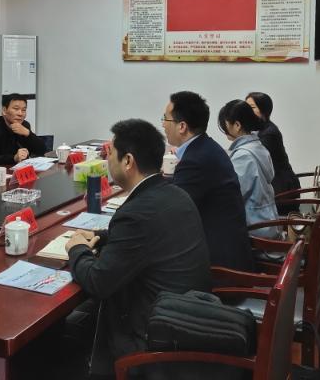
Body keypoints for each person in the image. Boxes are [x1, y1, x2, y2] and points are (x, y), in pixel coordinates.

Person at [65, 118, 211, 376]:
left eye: (111, 153)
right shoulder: (175, 193)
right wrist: (102, 237)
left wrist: (77, 248)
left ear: (128, 161)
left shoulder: (135, 214)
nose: (107, 160)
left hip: (152, 338)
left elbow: (98, 282)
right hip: (188, 319)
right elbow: (148, 237)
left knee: (69, 330)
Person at [163, 91, 254, 271]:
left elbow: (172, 213)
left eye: (165, 119)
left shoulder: (196, 160)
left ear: (182, 126)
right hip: (227, 249)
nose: (163, 124)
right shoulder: (205, 147)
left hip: (219, 266)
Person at [218, 99, 280, 239]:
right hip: (269, 220)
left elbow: (232, 196)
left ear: (237, 125)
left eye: (225, 124)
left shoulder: (243, 156)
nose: (224, 129)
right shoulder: (258, 147)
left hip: (255, 229)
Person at [245, 91, 301, 213]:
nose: (247, 111)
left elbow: (253, 160)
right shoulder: (258, 129)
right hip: (273, 186)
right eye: (246, 107)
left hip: (282, 190)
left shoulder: (269, 133)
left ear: (264, 110)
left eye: (252, 107)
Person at [0, 93, 47, 166]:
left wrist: (28, 133)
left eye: (23, 110)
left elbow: (42, 150)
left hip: (21, 168)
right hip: (0, 170)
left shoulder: (25, 125)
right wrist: (13, 158)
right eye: (16, 109)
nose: (20, 114)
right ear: (4, 111)